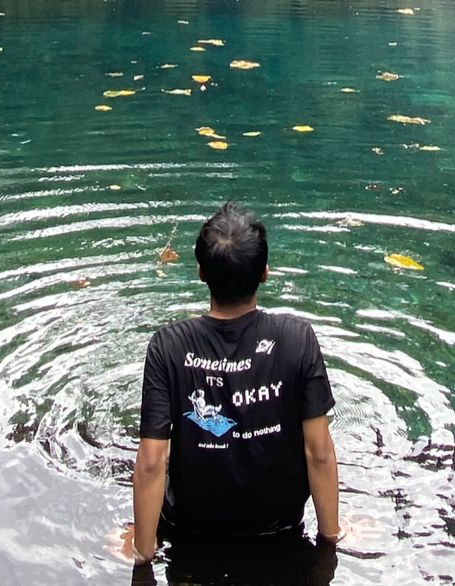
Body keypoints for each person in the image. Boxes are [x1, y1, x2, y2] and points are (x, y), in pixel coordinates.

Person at [126, 203, 341, 568]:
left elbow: (151, 460)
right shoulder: (297, 339)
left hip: (191, 524)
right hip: (279, 523)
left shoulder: (168, 346)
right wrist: (332, 536)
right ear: (265, 274)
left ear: (201, 272)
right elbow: (318, 450)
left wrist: (142, 550)